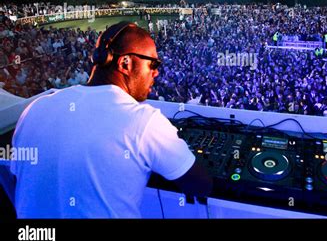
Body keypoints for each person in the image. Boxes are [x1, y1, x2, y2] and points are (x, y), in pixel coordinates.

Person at [10, 21, 212, 218]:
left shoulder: (35, 109)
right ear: (125, 63)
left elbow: (17, 180)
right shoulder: (144, 120)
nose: (157, 72)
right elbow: (200, 185)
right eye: (153, 63)